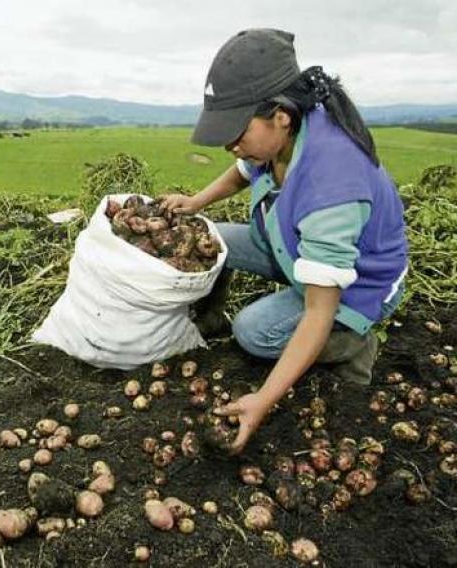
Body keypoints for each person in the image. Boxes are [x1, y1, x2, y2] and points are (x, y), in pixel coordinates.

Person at [160, 29, 408, 453]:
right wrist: (196, 202)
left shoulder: (332, 185)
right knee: (211, 236)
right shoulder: (281, 135)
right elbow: (242, 169)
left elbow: (317, 311)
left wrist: (263, 400)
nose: (229, 144)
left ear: (280, 115)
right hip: (290, 246)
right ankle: (211, 315)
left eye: (237, 131)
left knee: (254, 332)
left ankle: (354, 342)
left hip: (354, 287)